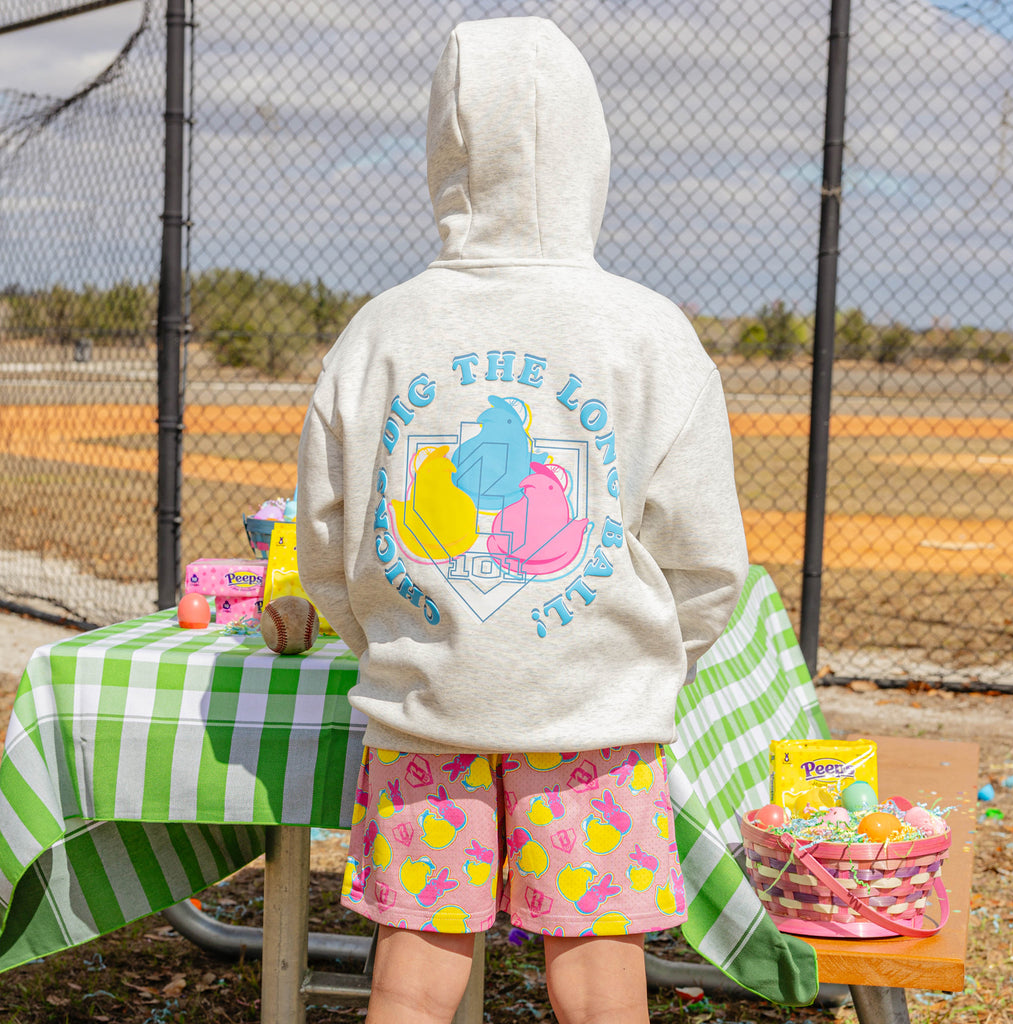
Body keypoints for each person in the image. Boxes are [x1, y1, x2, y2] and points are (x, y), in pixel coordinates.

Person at [297, 16, 748, 1024]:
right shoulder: (649, 333)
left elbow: (327, 548)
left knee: (410, 981)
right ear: (590, 153)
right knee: (597, 980)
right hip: (597, 720)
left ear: (442, 160)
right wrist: (642, 656)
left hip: (429, 715)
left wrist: (404, 636)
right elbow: (709, 563)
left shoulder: (378, 333)